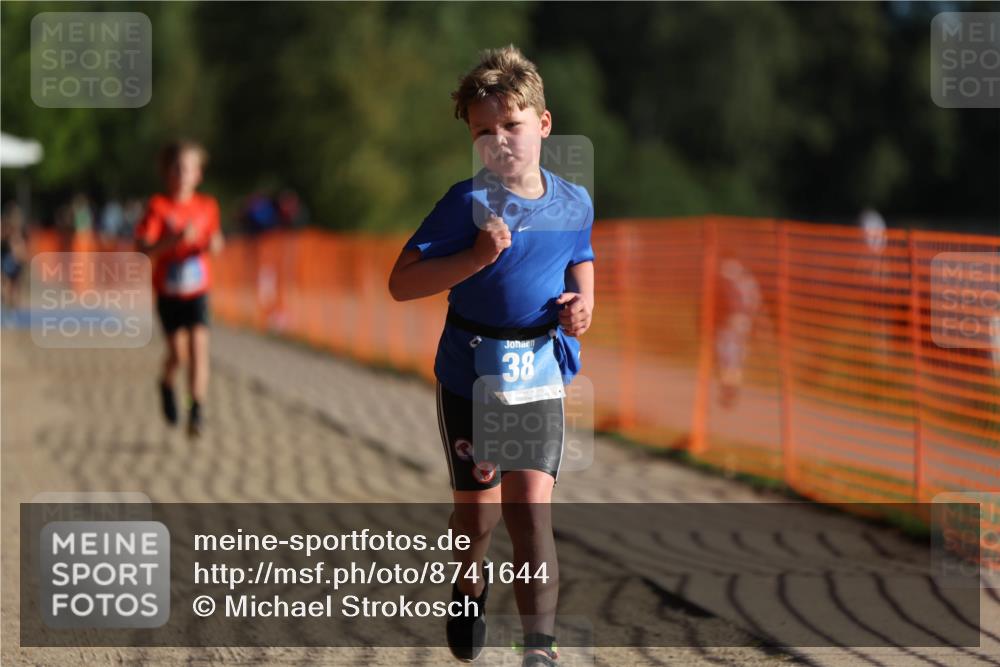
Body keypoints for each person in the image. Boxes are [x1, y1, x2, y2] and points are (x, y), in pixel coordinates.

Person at [389, 46, 594, 667]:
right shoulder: (464, 203)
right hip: (471, 372)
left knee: (529, 511)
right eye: (484, 131)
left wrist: (583, 306)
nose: (500, 140)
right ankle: (468, 580)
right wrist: (476, 258)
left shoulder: (573, 201)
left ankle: (540, 649)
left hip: (537, 368)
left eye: (512, 125)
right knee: (477, 519)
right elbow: (402, 282)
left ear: (544, 124)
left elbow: (580, 257)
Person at [135, 140, 224, 437]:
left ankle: (195, 410)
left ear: (198, 174)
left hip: (198, 291)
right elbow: (143, 249)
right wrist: (173, 241)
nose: (182, 173)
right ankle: (166, 383)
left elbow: (216, 239)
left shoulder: (207, 206)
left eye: (188, 168)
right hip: (168, 292)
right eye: (176, 167)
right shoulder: (158, 207)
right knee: (179, 355)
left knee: (200, 348)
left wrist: (215, 244)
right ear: (166, 172)